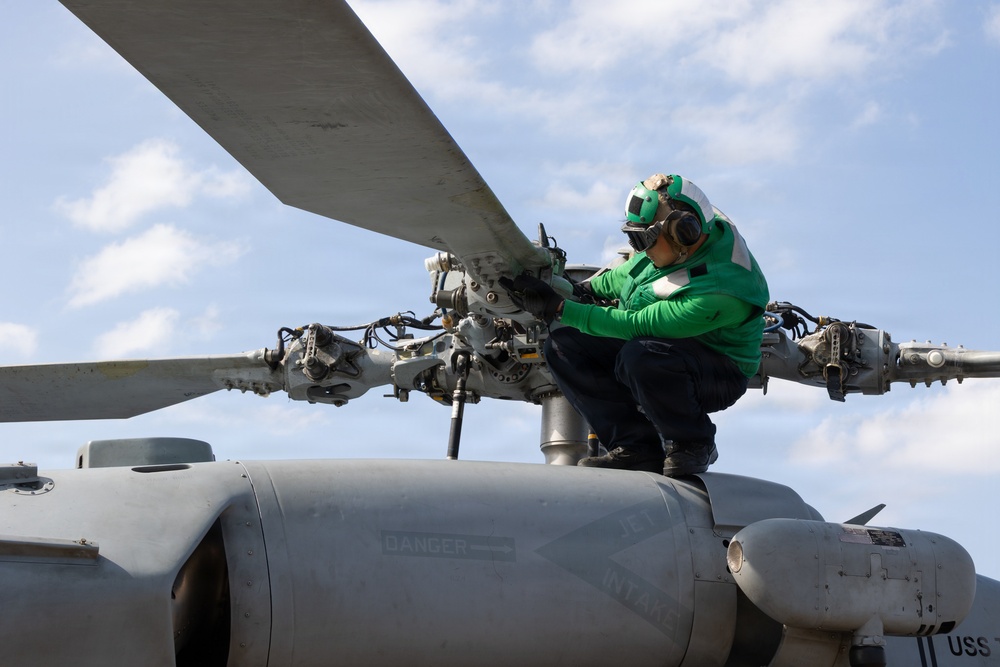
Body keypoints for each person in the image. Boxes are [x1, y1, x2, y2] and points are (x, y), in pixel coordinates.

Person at [506, 173, 769, 476]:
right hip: (669, 346)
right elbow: (630, 273)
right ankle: (636, 448)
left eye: (643, 240)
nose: (640, 249)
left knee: (642, 358)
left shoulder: (721, 291)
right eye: (634, 238)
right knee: (564, 346)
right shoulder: (682, 242)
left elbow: (636, 325)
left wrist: (560, 308)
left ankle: (694, 441)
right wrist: (583, 290)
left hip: (719, 370)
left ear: (682, 233)